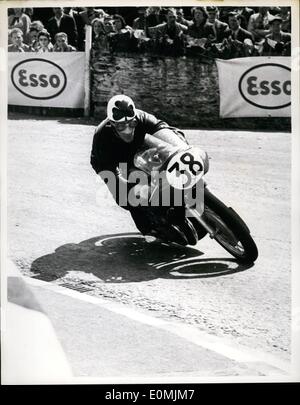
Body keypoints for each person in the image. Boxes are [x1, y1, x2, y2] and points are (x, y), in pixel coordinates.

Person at [90, 95, 194, 211]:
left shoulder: (141, 117)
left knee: (179, 162)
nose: (128, 130)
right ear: (113, 124)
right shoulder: (101, 135)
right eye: (121, 126)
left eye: (131, 124)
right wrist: (122, 184)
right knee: (128, 199)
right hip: (119, 161)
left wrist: (183, 147)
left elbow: (163, 129)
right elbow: (102, 166)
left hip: (144, 150)